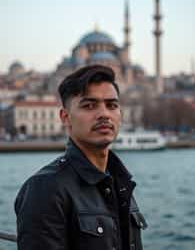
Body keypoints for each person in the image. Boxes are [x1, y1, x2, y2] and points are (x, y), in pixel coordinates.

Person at [15, 64, 147, 250]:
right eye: (89, 105)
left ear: (120, 114)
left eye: (112, 105)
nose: (104, 114)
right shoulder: (46, 189)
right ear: (65, 117)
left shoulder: (121, 183)